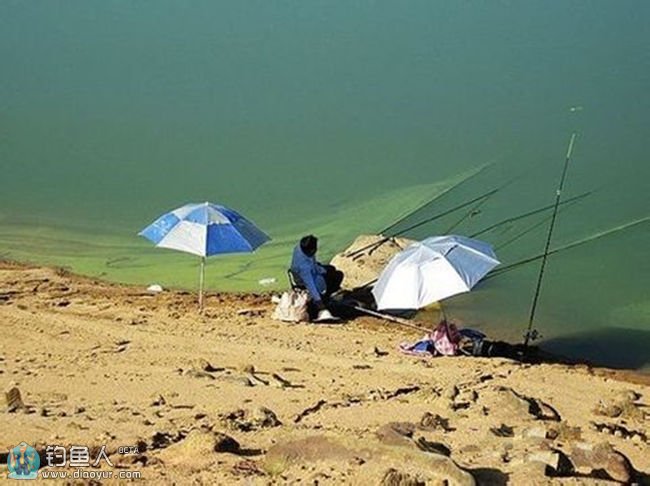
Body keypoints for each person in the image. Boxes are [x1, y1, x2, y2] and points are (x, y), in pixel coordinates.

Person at [290, 235, 344, 314]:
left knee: (331, 268)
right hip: (307, 280)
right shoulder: (304, 268)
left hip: (306, 273)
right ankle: (326, 297)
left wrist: (321, 269)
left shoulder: (299, 248)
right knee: (338, 275)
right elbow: (311, 286)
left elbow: (314, 264)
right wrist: (321, 306)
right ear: (311, 250)